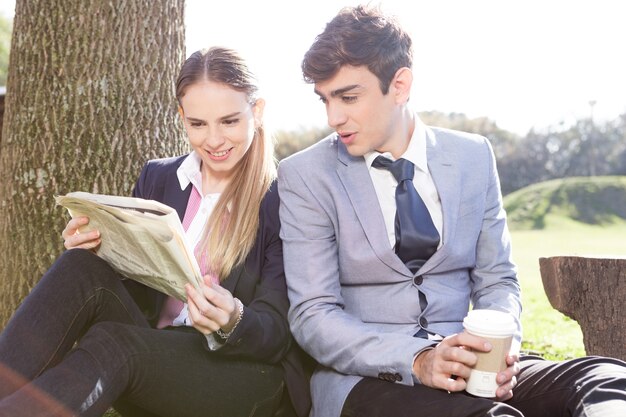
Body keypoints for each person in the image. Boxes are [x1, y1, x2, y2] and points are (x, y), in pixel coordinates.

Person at [277, 5, 626, 417]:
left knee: (606, 380)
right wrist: (419, 358)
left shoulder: (473, 156)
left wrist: (497, 352)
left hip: (473, 365)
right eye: (325, 100)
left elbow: (498, 279)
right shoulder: (304, 174)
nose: (334, 117)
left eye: (348, 97)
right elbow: (312, 315)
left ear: (400, 84)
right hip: (368, 380)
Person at [0, 47, 310, 417]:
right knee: (79, 265)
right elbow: (131, 289)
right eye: (197, 124)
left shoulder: (282, 200)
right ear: (181, 117)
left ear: (256, 112)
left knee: (115, 345)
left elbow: (280, 331)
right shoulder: (159, 177)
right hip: (154, 352)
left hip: (240, 373)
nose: (213, 140)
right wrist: (101, 248)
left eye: (228, 121)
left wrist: (233, 319)